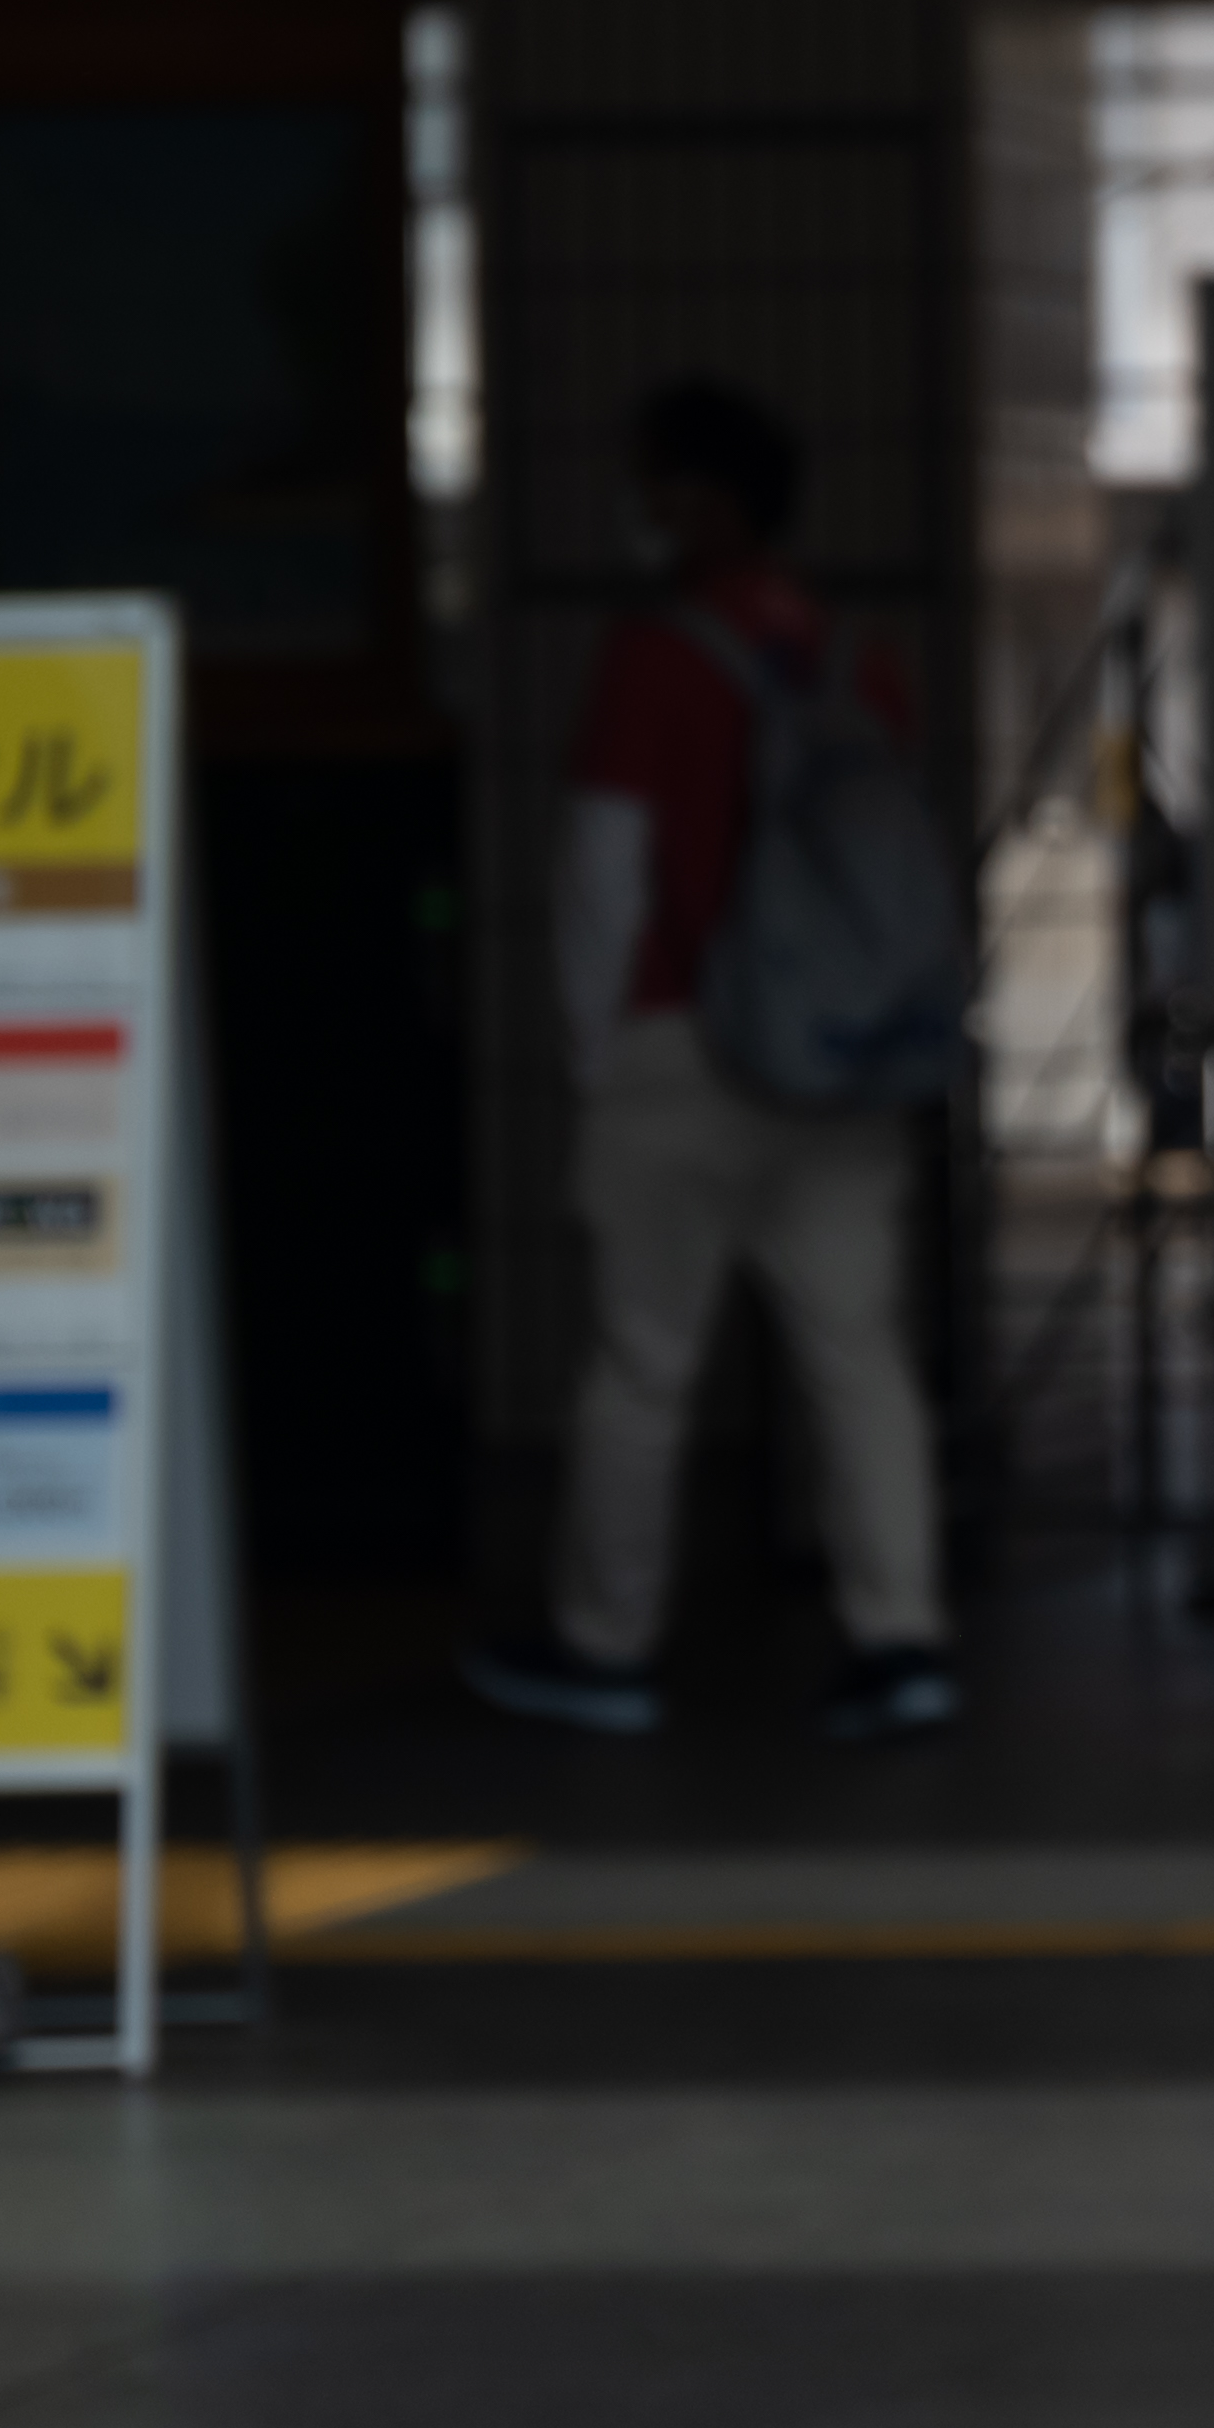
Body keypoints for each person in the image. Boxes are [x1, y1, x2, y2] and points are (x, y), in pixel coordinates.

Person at [465, 379, 958, 1743]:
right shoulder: (854, 655)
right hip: (840, 1060)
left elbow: (603, 876)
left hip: (679, 1041)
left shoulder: (652, 655)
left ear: (708, 499)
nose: (640, 509)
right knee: (857, 1355)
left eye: (656, 482)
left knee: (641, 1363)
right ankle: (899, 1637)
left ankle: (607, 1647)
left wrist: (595, 1048)